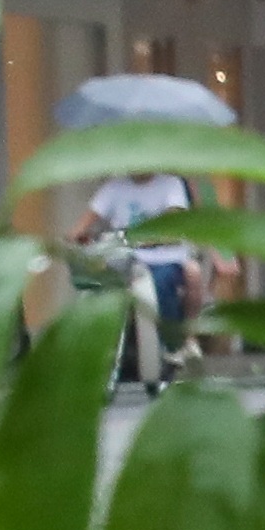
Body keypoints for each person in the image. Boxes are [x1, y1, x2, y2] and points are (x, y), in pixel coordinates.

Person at [81, 159, 194, 389]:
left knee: (161, 286)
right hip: (123, 260)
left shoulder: (170, 185)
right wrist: (76, 238)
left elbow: (174, 224)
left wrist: (151, 240)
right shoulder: (113, 188)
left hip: (163, 259)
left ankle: (171, 346)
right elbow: (83, 224)